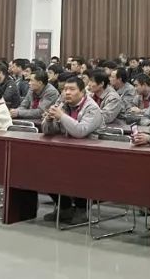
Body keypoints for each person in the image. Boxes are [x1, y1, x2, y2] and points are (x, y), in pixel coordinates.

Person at [42, 76, 103, 223]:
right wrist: (49, 120)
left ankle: (82, 210)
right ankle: (64, 207)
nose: (67, 92)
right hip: (66, 151)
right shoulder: (62, 104)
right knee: (44, 170)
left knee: (80, 172)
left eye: (72, 89)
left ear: (82, 92)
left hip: (90, 154)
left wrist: (61, 116)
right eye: (65, 89)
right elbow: (47, 131)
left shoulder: (92, 108)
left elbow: (81, 131)